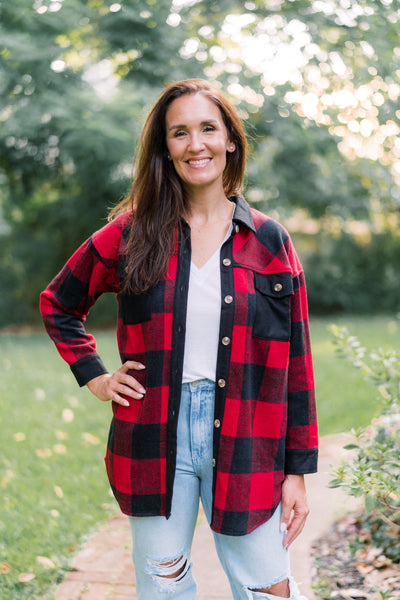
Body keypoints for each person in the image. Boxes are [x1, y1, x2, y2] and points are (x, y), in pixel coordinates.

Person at [40, 78, 318, 600]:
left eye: (208, 128)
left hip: (247, 434)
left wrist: (297, 470)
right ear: (165, 149)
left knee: (269, 589)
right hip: (152, 433)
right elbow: (58, 302)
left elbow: (297, 365)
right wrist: (97, 378)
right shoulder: (130, 234)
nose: (196, 144)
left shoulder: (269, 241)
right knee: (164, 589)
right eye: (180, 133)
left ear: (230, 139)